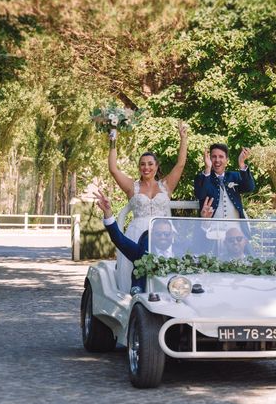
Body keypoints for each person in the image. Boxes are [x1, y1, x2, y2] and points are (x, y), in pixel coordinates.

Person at [108, 121, 188, 291]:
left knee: (166, 274)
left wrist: (183, 138)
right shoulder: (132, 187)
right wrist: (113, 138)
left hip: (164, 233)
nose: (146, 167)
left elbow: (180, 164)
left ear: (156, 166)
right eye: (143, 164)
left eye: (150, 164)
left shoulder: (166, 185)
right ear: (139, 167)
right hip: (137, 234)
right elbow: (113, 169)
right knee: (137, 273)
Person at [95, 191, 213, 293]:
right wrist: (108, 213)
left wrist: (204, 222)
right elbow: (119, 239)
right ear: (152, 235)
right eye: (158, 234)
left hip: (178, 295)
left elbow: (198, 246)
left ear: (171, 235)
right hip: (148, 301)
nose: (163, 237)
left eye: (166, 234)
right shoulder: (142, 253)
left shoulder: (181, 251)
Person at [194, 143, 255, 219]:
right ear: (209, 159)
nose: (217, 160)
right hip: (212, 228)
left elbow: (249, 188)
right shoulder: (202, 177)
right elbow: (200, 195)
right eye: (213, 157)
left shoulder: (234, 176)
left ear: (227, 160)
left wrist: (241, 163)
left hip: (236, 228)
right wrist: (207, 168)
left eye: (221, 156)